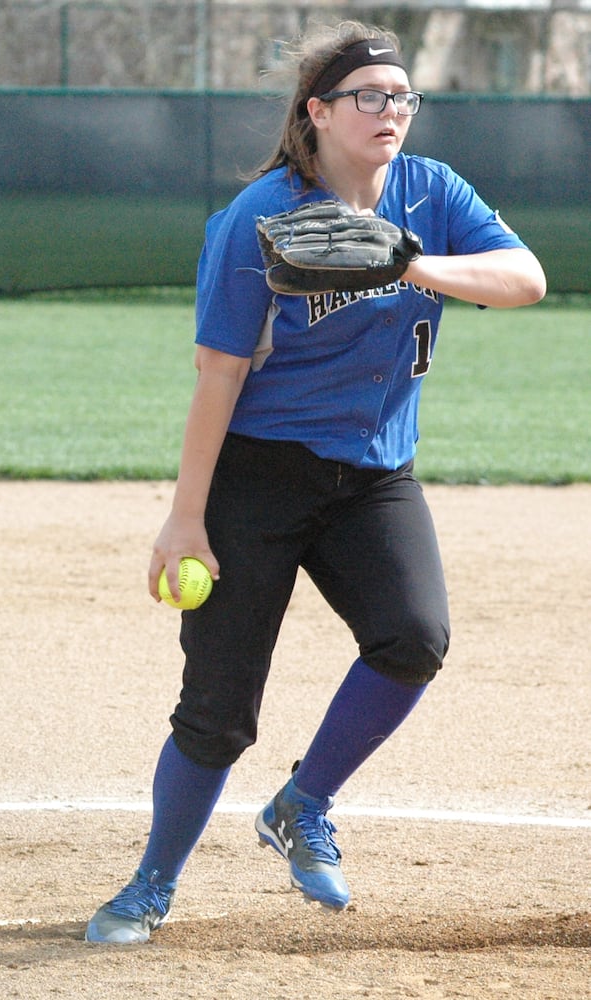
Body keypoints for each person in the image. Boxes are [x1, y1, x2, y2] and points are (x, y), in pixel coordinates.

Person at [85, 20, 546, 944]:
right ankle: (148, 885)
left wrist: (407, 261)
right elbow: (218, 372)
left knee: (412, 638)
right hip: (256, 478)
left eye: (401, 96)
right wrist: (184, 519)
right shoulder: (260, 215)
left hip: (374, 473)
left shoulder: (430, 191)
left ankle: (302, 803)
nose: (389, 112)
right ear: (318, 112)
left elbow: (525, 278)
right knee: (216, 715)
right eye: (367, 96)